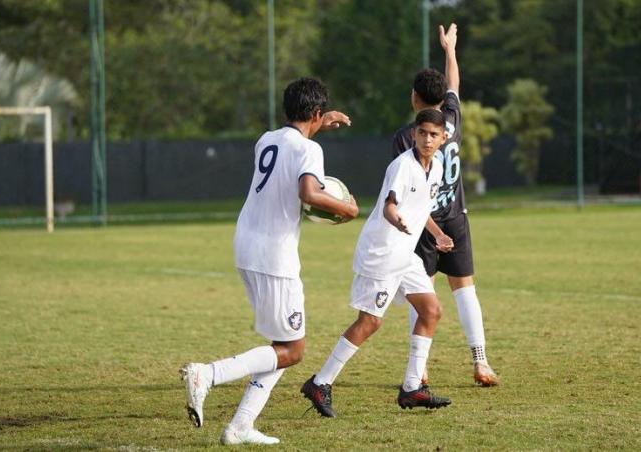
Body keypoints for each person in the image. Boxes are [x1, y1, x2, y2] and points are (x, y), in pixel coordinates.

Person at [179, 77, 358, 445]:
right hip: (275, 254)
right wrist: (347, 208)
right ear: (317, 113)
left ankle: (240, 426)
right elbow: (308, 191)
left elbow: (292, 146)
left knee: (280, 346)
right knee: (293, 351)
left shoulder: (266, 139)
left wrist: (317, 123)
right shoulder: (310, 151)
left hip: (246, 245)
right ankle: (207, 375)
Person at [301, 108, 451, 418]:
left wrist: (438, 235)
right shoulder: (402, 166)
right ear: (413, 133)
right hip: (381, 252)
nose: (426, 139)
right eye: (422, 132)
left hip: (404, 255)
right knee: (370, 322)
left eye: (433, 135)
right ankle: (320, 382)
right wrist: (395, 219)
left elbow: (421, 211)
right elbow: (390, 206)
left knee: (431, 310)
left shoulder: (435, 169)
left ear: (443, 139)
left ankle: (412, 388)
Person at [390, 23, 500, 387]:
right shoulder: (450, 120)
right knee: (464, 288)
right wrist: (450, 49)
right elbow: (454, 83)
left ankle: (419, 368)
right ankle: (481, 361)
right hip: (456, 217)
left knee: (422, 296)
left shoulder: (410, 136)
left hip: (424, 224)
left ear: (414, 98)